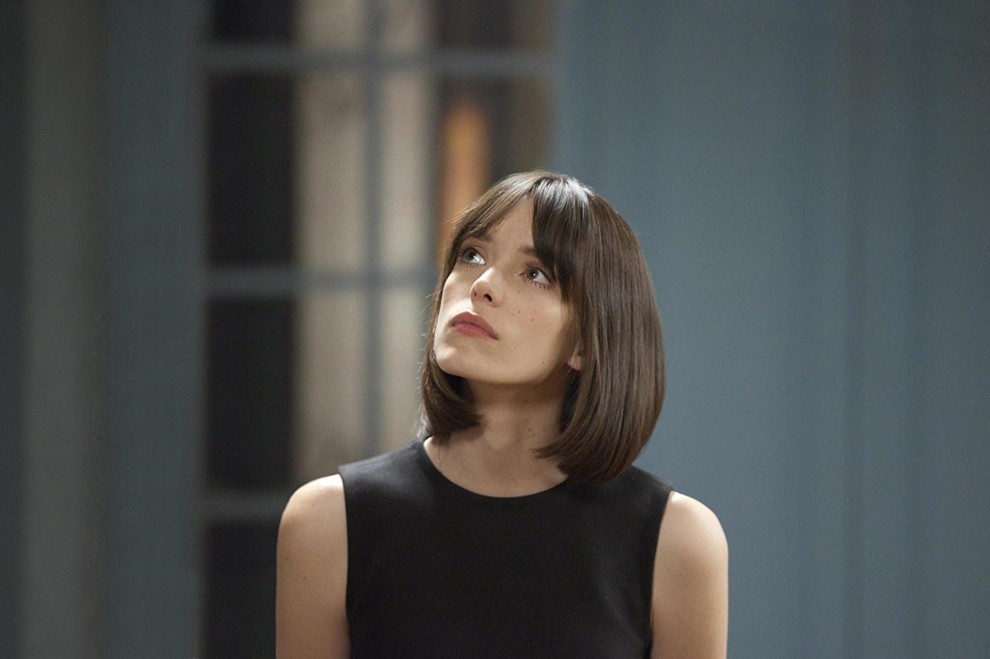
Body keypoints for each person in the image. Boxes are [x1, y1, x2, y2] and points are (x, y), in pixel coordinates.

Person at [276, 171, 728, 658]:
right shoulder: (328, 523)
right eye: (472, 255)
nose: (482, 285)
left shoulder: (677, 541)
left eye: (535, 274)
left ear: (587, 341)